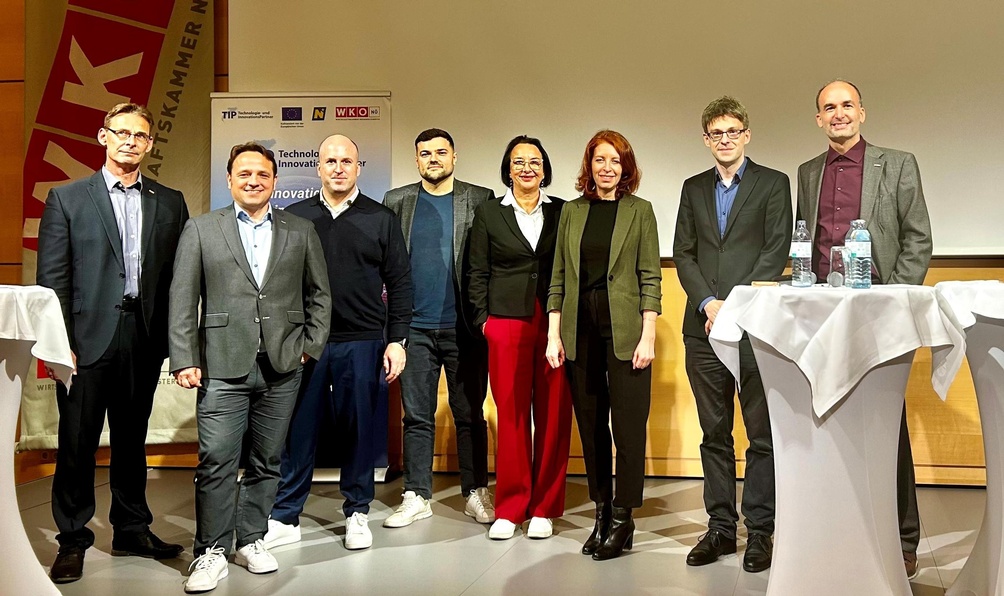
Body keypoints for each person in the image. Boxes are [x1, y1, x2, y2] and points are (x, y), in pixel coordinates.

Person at [36, 102, 189, 584]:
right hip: (84, 341)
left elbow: (177, 282)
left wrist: (174, 341)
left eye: (140, 135)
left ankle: (130, 528)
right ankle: (74, 538)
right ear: (102, 137)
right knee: (77, 442)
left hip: (142, 338)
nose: (130, 141)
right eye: (121, 132)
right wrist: (61, 344)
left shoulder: (170, 202)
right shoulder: (67, 198)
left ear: (149, 144)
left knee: (131, 440)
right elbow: (52, 281)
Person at [169, 142, 331, 593]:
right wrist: (185, 357)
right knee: (217, 458)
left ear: (275, 181)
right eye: (244, 174)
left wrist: (308, 347)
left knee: (267, 459)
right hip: (221, 363)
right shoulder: (201, 229)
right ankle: (210, 551)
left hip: (282, 364)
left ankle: (252, 539)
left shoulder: (300, 230)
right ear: (229, 180)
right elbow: (183, 299)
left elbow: (320, 294)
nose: (253, 180)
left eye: (262, 174)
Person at [797, 79, 933, 579]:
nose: (838, 114)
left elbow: (918, 238)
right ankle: (838, 527)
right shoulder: (808, 172)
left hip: (881, 308)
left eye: (846, 105)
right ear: (818, 119)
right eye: (828, 108)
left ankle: (903, 537)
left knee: (885, 421)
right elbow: (805, 242)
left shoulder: (897, 164)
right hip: (824, 310)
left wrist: (892, 299)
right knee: (828, 417)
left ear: (863, 112)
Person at [264, 134, 412, 551]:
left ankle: (358, 511)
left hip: (363, 341)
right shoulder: (294, 216)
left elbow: (400, 283)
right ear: (318, 167)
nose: (338, 168)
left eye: (347, 161)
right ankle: (286, 515)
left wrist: (396, 340)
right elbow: (277, 283)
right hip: (307, 342)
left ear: (358, 167)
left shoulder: (380, 218)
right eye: (331, 160)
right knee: (299, 429)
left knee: (359, 429)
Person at [673, 96, 792, 573]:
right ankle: (721, 528)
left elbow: (775, 249)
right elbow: (684, 253)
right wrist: (708, 303)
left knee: (761, 435)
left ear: (746, 135)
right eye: (716, 134)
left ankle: (760, 532)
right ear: (707, 140)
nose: (725, 140)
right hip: (702, 329)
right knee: (713, 433)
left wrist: (736, 307)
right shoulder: (692, 187)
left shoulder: (773, 184)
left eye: (733, 132)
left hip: (755, 329)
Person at [545, 130, 661, 561]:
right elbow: (558, 276)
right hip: (580, 331)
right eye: (599, 160)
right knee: (592, 430)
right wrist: (554, 334)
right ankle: (601, 512)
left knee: (628, 430)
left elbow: (651, 277)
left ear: (625, 167)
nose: (607, 168)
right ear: (589, 166)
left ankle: (625, 518)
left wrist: (648, 335)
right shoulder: (572, 213)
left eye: (615, 160)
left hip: (628, 333)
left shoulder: (640, 211)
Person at [381, 128, 495, 528]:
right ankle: (416, 494)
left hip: (464, 327)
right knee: (417, 416)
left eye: (441, 152)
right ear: (416, 160)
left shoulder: (479, 199)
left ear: (454, 156)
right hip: (414, 329)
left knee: (469, 413)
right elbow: (387, 265)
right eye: (425, 153)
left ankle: (475, 491)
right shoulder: (397, 201)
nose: (433, 159)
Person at [468, 135, 572, 540]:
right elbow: (476, 270)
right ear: (507, 169)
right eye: (518, 162)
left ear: (544, 168)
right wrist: (484, 322)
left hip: (553, 321)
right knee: (510, 416)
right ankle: (510, 508)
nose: (527, 168)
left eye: (534, 161)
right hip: (505, 322)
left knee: (553, 414)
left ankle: (545, 507)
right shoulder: (489, 213)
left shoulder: (563, 211)